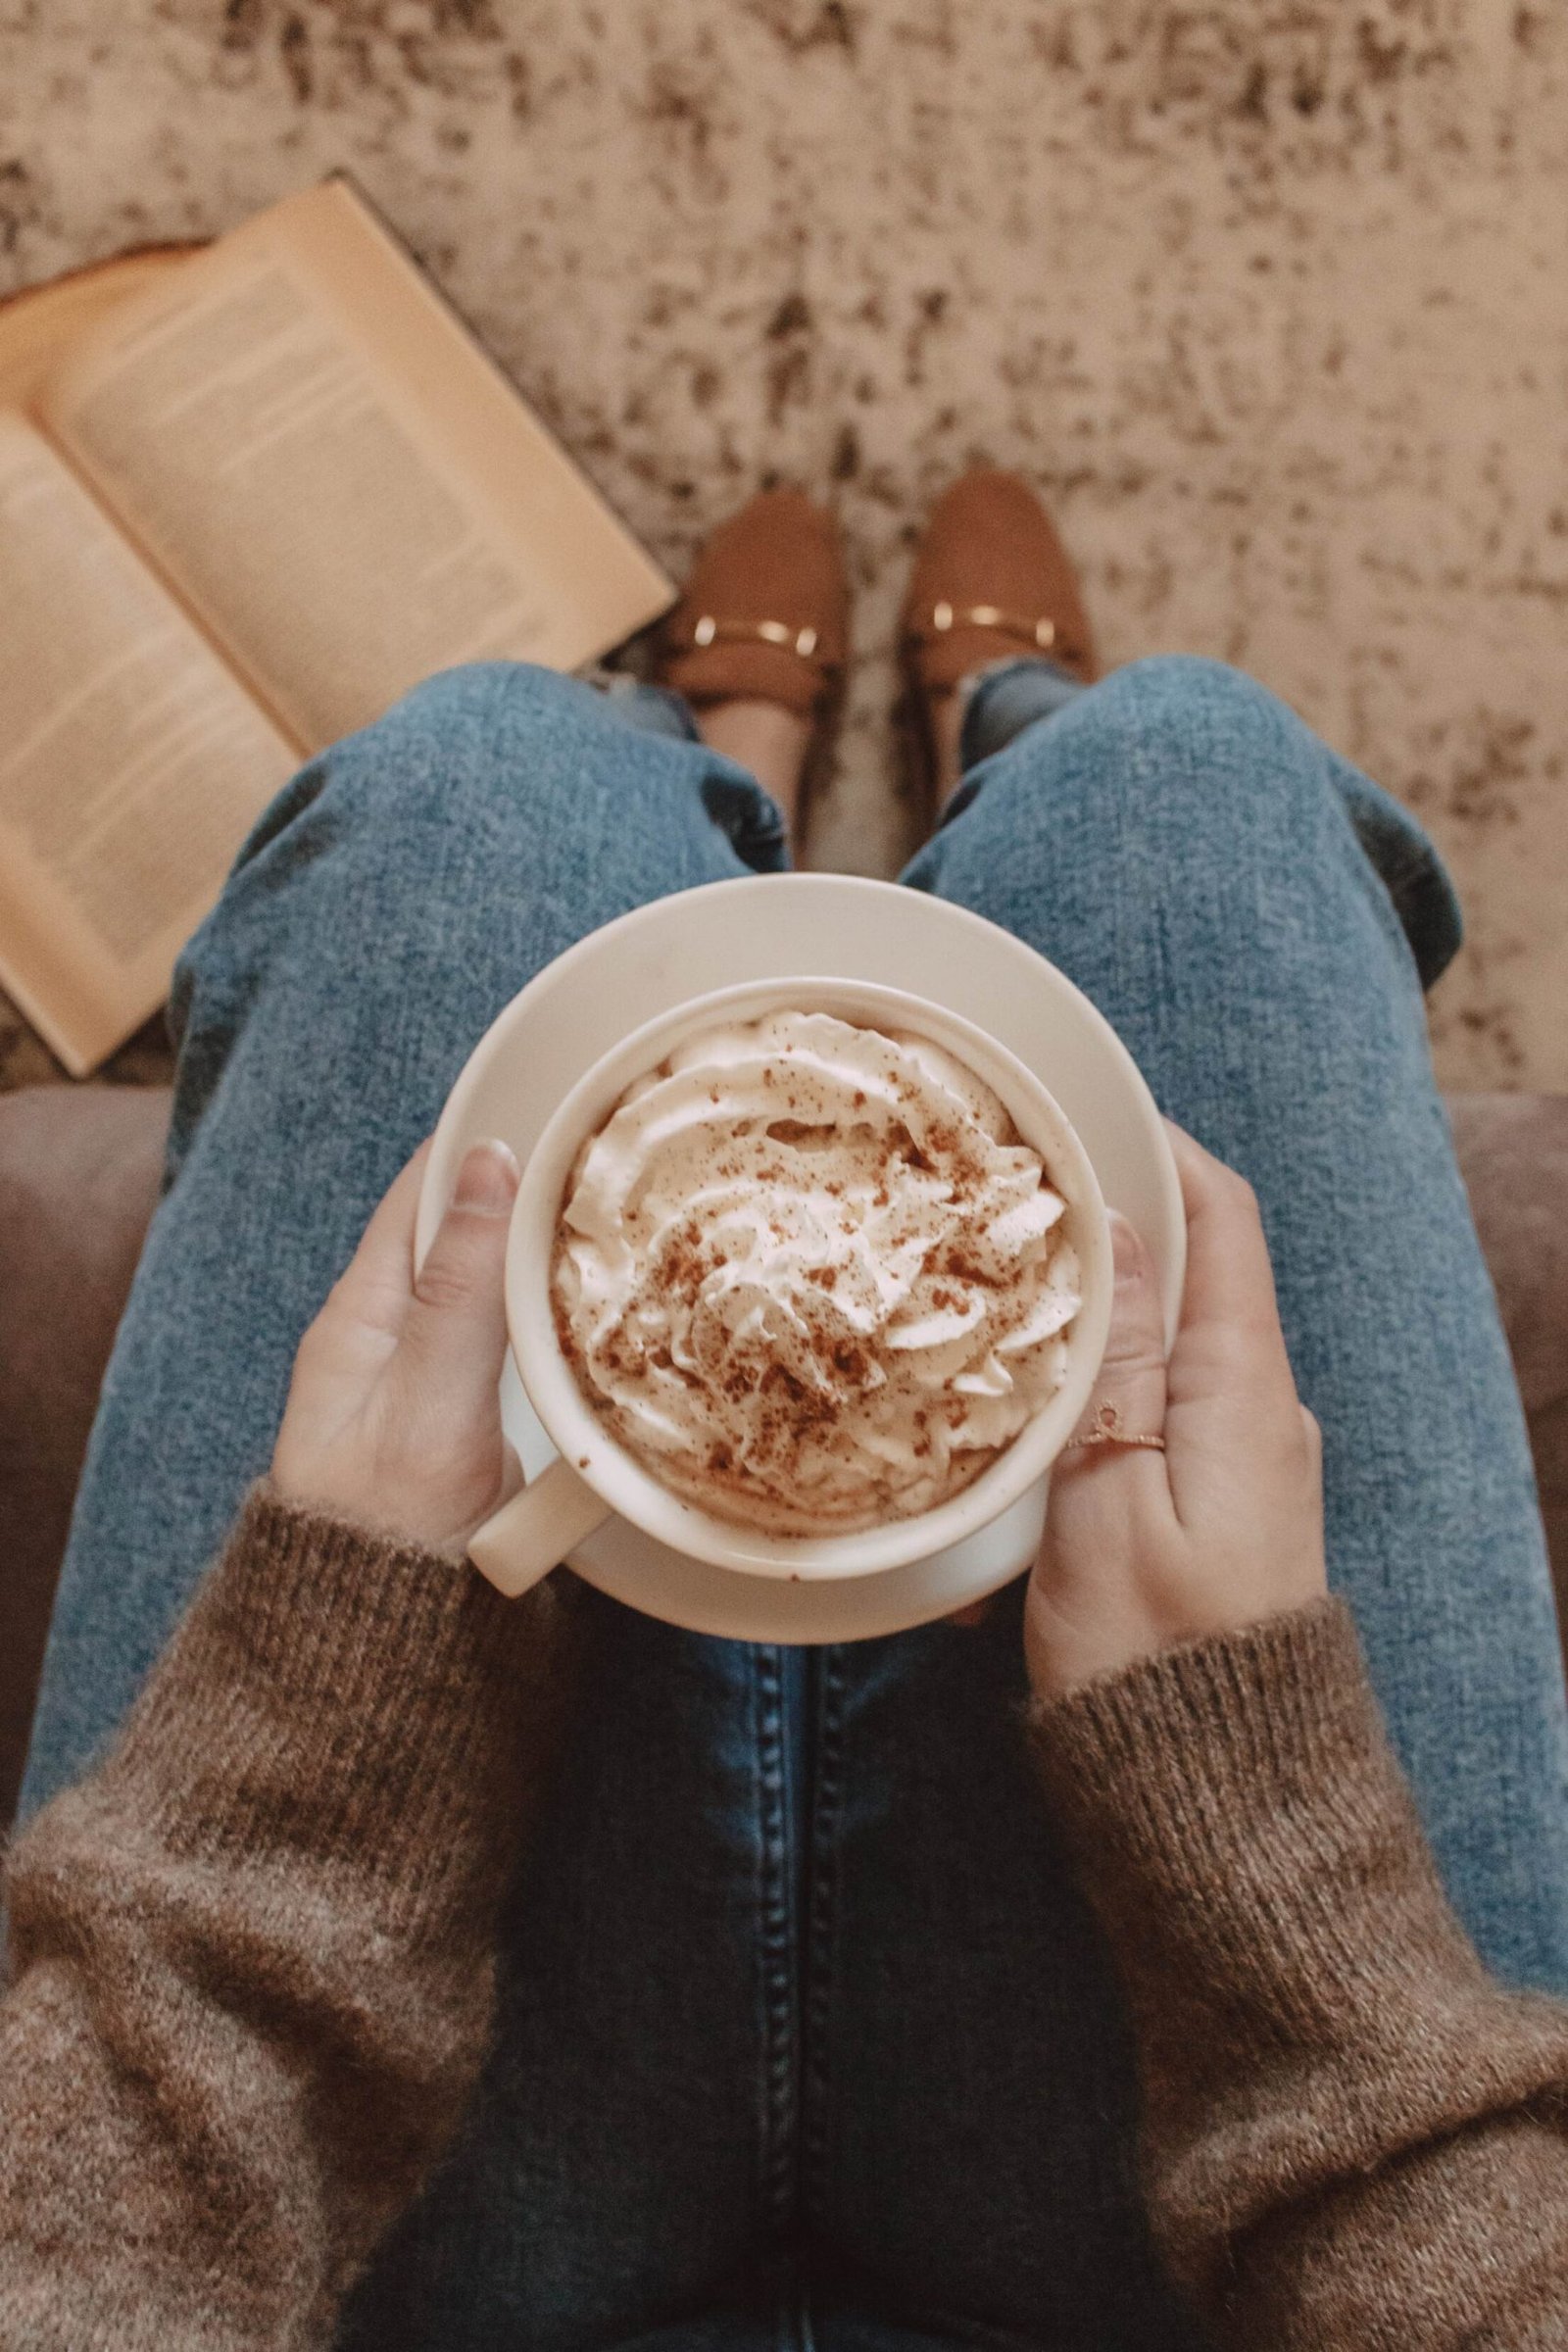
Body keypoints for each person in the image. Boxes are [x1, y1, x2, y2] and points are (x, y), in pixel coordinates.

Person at [4, 474, 1568, 2350]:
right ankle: (1004, 730)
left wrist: (312, 1775)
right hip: (1195, 2246)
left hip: (374, 2243)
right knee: (1186, 783)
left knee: (475, 784)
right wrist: (1271, 1874)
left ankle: (726, 747)